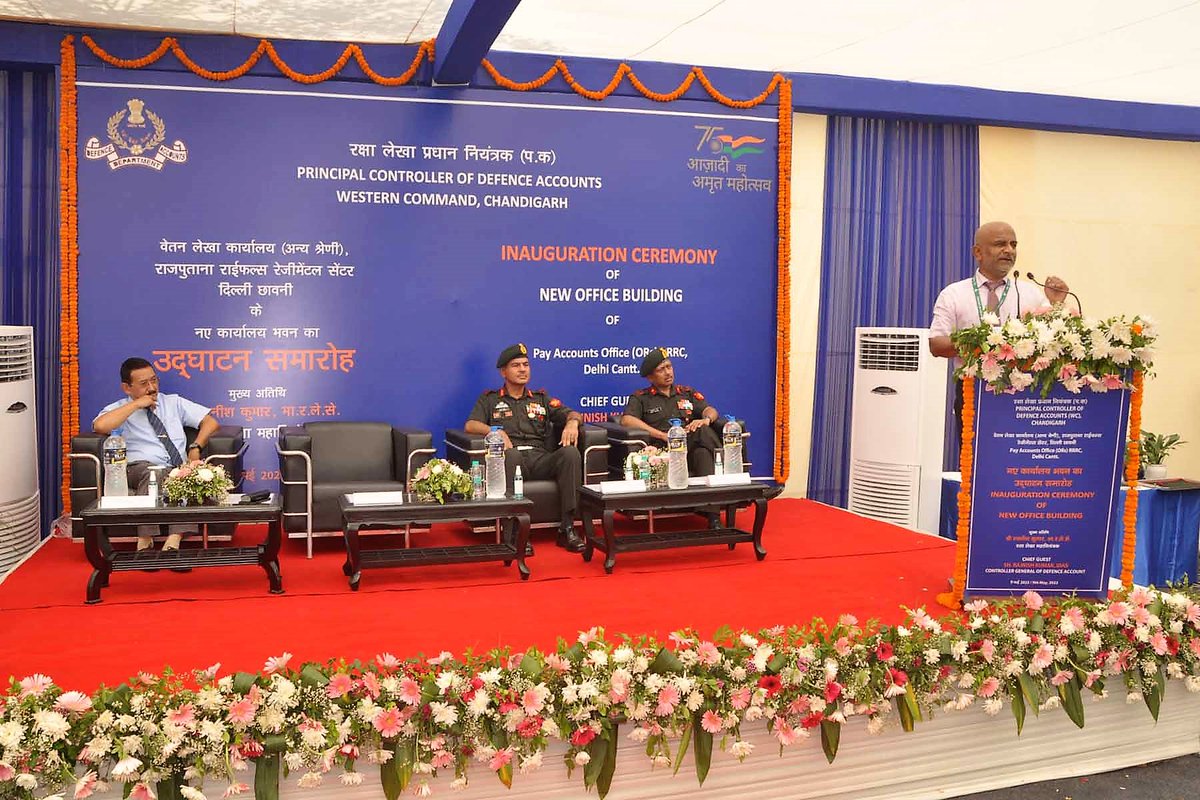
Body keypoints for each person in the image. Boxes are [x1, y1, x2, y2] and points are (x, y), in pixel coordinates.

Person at [929, 221, 1070, 423]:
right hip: (973, 391)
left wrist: (1056, 304)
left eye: (1013, 244)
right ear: (978, 252)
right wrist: (981, 343)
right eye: (1000, 244)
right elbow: (936, 344)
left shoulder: (1029, 292)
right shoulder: (954, 294)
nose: (1009, 250)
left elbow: (1053, 342)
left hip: (1025, 395)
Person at [465, 343, 586, 553]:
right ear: (503, 372)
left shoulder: (541, 398)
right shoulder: (490, 399)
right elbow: (471, 425)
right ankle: (515, 532)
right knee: (510, 455)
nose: (522, 369)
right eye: (516, 365)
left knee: (570, 453)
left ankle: (567, 529)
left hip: (539, 457)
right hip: (511, 457)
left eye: (526, 365)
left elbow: (572, 413)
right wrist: (494, 432)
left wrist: (572, 423)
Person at [92, 356, 219, 553]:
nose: (152, 388)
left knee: (190, 475)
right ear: (127, 388)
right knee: (154, 473)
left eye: (154, 380)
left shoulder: (172, 402)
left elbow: (210, 422)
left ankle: (173, 542)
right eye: (144, 384)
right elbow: (100, 426)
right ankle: (145, 540)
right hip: (138, 468)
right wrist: (136, 405)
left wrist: (195, 447)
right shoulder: (120, 408)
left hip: (175, 467)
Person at [620, 348, 723, 476]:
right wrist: (662, 435)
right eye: (661, 370)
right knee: (702, 432)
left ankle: (716, 487)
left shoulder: (686, 392)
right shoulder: (641, 398)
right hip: (663, 448)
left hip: (687, 445)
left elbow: (710, 410)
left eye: (669, 367)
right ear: (650, 377)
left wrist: (706, 420)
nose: (668, 373)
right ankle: (727, 468)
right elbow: (627, 420)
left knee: (702, 451)